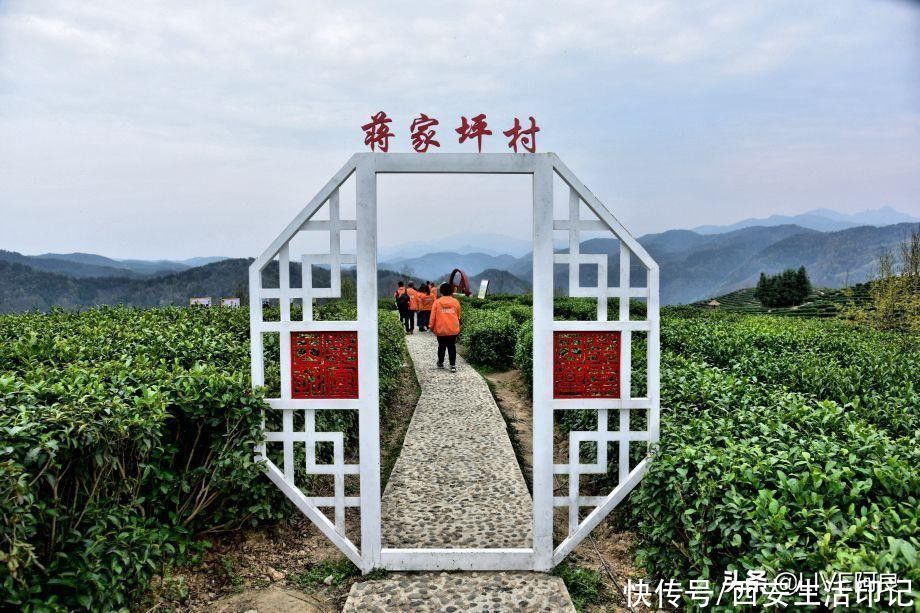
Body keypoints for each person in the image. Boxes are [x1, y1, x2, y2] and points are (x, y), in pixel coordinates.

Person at [428, 282, 462, 372]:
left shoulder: (437, 302)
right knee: (452, 347)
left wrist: (431, 327)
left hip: (441, 329)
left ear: (441, 291)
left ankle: (440, 363)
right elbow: (458, 316)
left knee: (441, 346)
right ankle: (453, 365)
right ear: (451, 291)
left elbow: (432, 316)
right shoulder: (455, 302)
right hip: (453, 329)